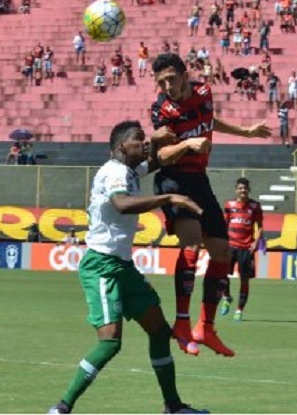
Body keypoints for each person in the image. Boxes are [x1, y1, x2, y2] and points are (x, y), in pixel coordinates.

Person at [48, 121, 207, 414]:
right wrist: (169, 197)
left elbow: (157, 161)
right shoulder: (114, 172)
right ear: (122, 146)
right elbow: (122, 204)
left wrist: (185, 143)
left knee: (159, 331)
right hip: (101, 266)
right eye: (138, 140)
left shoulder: (130, 172)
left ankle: (173, 406)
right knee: (110, 343)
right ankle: (61, 408)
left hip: (122, 266)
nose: (143, 144)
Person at [149, 53, 271, 357]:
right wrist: (187, 144)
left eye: (171, 79)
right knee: (192, 246)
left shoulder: (204, 92)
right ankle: (181, 324)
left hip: (199, 181)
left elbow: (209, 121)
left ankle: (207, 327)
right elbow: (162, 157)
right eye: (161, 81)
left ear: (184, 75)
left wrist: (246, 132)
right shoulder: (161, 110)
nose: (167, 86)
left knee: (222, 252)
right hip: (174, 181)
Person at [219, 178, 263, 322]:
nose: (243, 190)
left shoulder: (255, 206)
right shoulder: (229, 205)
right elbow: (224, 224)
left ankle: (239, 310)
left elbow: (260, 226)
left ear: (248, 189)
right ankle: (226, 297)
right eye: (240, 188)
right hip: (230, 246)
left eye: (245, 188)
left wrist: (256, 241)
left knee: (244, 280)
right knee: (222, 275)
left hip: (246, 249)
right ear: (236, 190)